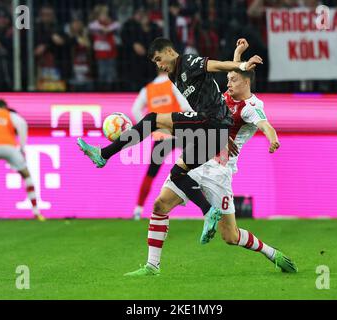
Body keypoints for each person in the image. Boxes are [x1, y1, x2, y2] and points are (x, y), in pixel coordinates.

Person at [124, 38, 297, 277]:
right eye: (229, 79)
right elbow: (231, 73)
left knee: (231, 236)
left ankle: (271, 253)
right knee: (160, 204)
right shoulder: (227, 96)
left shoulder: (251, 106)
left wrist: (272, 138)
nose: (228, 82)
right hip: (199, 153)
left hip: (219, 171)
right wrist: (238, 53)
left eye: (233, 79)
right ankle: (152, 266)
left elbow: (264, 123)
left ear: (246, 81)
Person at [78, 37, 263, 244]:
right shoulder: (173, 77)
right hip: (213, 131)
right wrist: (221, 136)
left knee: (151, 119)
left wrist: (243, 64)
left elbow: (217, 65)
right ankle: (208, 212)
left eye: (159, 59)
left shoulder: (189, 62)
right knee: (177, 174)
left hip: (212, 122)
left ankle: (103, 154)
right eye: (155, 63)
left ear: (169, 52)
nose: (159, 65)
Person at [131, 68, 192, 220]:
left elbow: (135, 110)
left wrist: (152, 129)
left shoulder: (147, 90)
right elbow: (186, 107)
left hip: (161, 136)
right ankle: (210, 206)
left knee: (151, 173)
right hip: (179, 133)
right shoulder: (173, 85)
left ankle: (138, 210)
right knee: (199, 165)